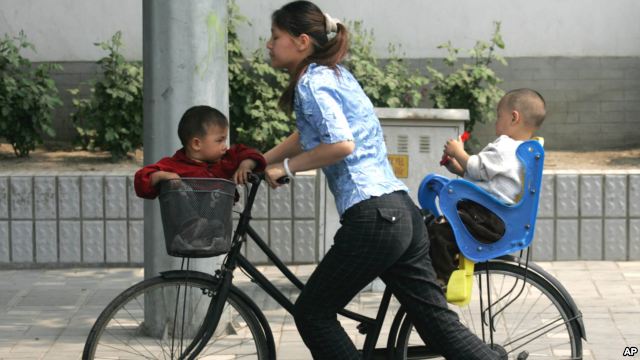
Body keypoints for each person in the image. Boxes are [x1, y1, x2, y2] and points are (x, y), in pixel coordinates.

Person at [262, 1, 506, 359]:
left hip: (373, 217)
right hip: (400, 212)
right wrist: (259, 160)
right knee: (439, 326)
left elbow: (341, 144)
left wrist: (286, 169)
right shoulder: (335, 74)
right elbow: (308, 135)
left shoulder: (312, 82)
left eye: (275, 36)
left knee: (313, 313)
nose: (269, 44)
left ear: (301, 41)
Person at [431, 89, 547, 284]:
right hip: (496, 220)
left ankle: (441, 280)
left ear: (513, 117)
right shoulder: (521, 152)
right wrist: (459, 169)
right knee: (441, 231)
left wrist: (457, 151)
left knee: (438, 233)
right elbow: (488, 180)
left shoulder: (505, 146)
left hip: (484, 217)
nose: (495, 122)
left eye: (498, 116)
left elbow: (476, 167)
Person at [134, 105, 266, 252]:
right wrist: (162, 176)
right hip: (185, 231)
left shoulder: (226, 161)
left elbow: (251, 153)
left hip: (215, 226)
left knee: (217, 191)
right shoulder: (174, 164)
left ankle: (206, 229)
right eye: (220, 140)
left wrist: (245, 165)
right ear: (197, 143)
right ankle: (192, 225)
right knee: (175, 185)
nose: (224, 146)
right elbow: (141, 180)